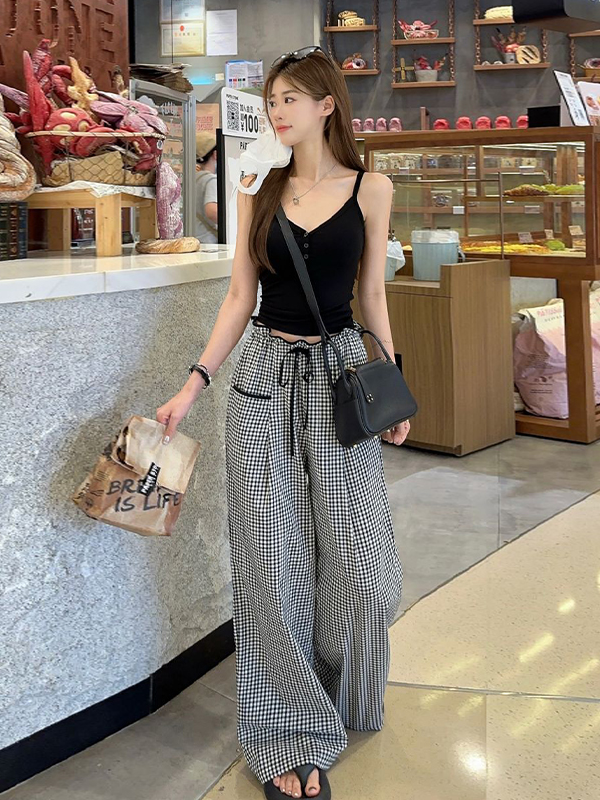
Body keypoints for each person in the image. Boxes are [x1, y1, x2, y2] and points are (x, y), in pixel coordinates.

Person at [156, 45, 408, 800]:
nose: (278, 111)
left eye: (291, 98)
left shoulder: (371, 188)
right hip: (264, 379)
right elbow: (240, 297)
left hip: (338, 378)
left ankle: (344, 690)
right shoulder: (257, 189)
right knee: (271, 560)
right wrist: (193, 384)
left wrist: (393, 384)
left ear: (328, 105)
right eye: (272, 100)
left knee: (360, 563)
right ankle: (287, 731)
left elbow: (372, 295)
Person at [195, 130, 219, 243]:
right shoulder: (211, 180)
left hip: (194, 239)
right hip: (209, 242)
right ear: (215, 154)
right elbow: (212, 211)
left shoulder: (192, 178)